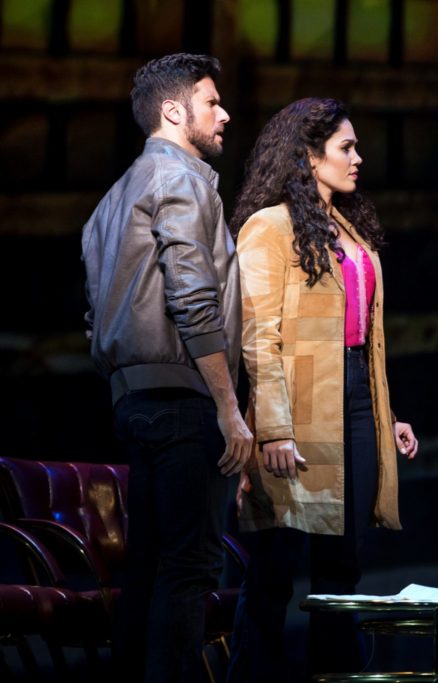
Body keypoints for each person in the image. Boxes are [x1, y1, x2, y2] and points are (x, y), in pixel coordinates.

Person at [226, 97, 419, 682]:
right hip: (296, 408)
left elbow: (364, 339)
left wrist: (387, 416)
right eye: (346, 147)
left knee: (343, 570)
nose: (358, 158)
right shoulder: (269, 227)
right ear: (310, 157)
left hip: (357, 401)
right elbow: (259, 337)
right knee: (274, 570)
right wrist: (275, 429)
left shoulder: (349, 228)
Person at [81, 53, 253, 682]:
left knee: (149, 571)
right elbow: (191, 295)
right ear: (175, 110)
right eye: (212, 101)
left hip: (134, 405)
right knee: (190, 570)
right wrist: (229, 410)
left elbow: (96, 318)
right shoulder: (179, 180)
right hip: (185, 403)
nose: (224, 113)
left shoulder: (108, 202)